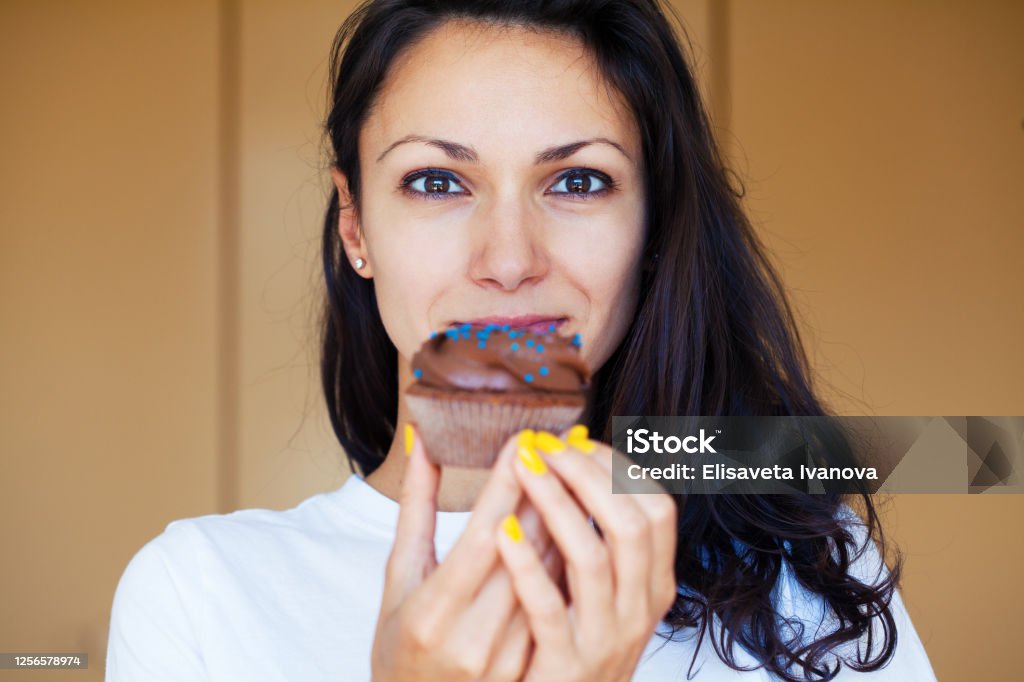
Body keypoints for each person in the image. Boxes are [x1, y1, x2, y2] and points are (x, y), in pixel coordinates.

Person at [107, 1, 938, 680]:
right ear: (355, 224)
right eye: (437, 181)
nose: (509, 261)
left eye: (579, 181)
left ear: (651, 228)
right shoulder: (200, 593)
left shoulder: (804, 570)